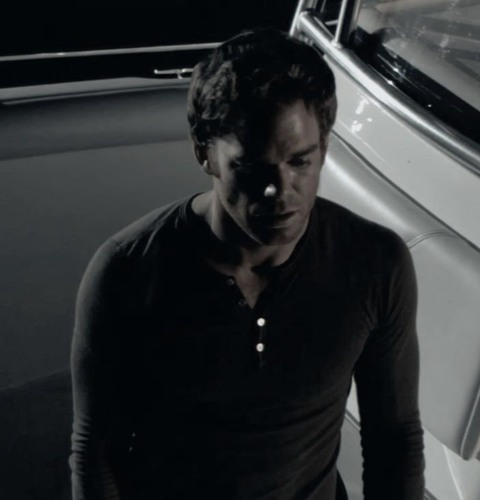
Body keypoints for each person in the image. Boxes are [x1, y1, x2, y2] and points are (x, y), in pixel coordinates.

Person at [70, 29, 425, 499]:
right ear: (204, 153)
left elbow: (394, 439)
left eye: (300, 162)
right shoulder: (127, 271)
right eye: (252, 168)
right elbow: (96, 451)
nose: (279, 191)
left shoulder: (375, 263)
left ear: (324, 148)